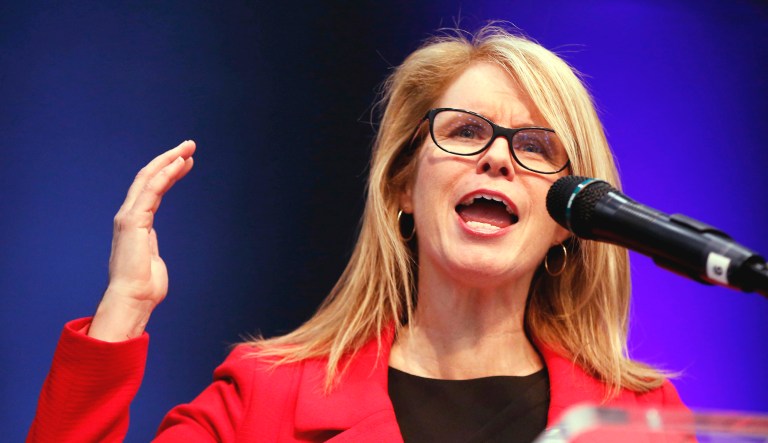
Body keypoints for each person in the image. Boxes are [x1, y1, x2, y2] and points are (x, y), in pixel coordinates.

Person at [28, 25, 686, 443]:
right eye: (464, 131)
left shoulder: (639, 418)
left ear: (568, 222)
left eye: (538, 146)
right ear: (404, 187)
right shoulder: (266, 399)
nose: (497, 157)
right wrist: (124, 308)